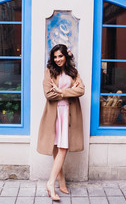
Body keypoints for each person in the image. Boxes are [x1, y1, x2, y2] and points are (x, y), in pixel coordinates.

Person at [37, 44, 85, 201]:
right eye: (55, 57)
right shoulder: (49, 72)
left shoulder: (73, 72)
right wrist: (70, 92)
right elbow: (48, 94)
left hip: (69, 114)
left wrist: (61, 91)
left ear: (66, 56)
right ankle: (57, 181)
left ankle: (52, 182)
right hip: (55, 113)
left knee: (63, 148)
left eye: (60, 56)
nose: (57, 59)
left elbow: (81, 90)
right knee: (57, 147)